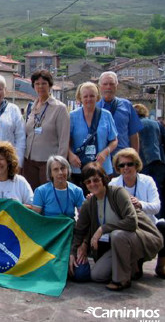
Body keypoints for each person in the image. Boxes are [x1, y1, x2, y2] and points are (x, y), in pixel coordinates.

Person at [69, 162, 163, 291]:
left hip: (138, 237)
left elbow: (131, 222)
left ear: (103, 178)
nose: (92, 184)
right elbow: (80, 230)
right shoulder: (89, 203)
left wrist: (103, 228)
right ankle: (130, 264)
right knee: (97, 276)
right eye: (88, 182)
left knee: (117, 234)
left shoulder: (118, 193)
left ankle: (121, 280)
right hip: (113, 247)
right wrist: (74, 252)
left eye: (96, 179)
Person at [109, 148, 165, 279]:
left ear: (136, 165)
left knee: (164, 225)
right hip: (127, 228)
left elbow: (157, 207)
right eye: (121, 165)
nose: (126, 168)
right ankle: (135, 263)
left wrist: (140, 204)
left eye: (129, 164)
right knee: (135, 275)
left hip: (148, 226)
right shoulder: (113, 184)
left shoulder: (148, 181)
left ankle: (161, 265)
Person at [23, 70, 70, 190]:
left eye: (44, 83)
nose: (40, 87)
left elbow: (64, 140)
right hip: (29, 162)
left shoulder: (59, 108)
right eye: (37, 84)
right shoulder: (31, 107)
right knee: (31, 198)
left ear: (50, 85)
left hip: (48, 164)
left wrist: (59, 166)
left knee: (48, 196)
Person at [68, 82, 118, 188]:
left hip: (102, 167)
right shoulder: (72, 116)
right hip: (78, 168)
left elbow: (114, 140)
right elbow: (65, 140)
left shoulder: (106, 115)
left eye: (92, 96)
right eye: (85, 96)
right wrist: (70, 155)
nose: (88, 99)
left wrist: (105, 152)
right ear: (80, 98)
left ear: (97, 97)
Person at [97, 71, 143, 156]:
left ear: (117, 86)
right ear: (100, 86)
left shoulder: (127, 105)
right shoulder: (93, 107)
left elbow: (133, 134)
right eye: (105, 84)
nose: (108, 87)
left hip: (122, 160)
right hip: (99, 159)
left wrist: (135, 158)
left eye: (111, 84)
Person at [132, 103, 165, 215]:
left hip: (143, 162)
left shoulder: (134, 125)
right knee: (158, 191)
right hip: (159, 160)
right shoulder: (156, 124)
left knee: (144, 190)